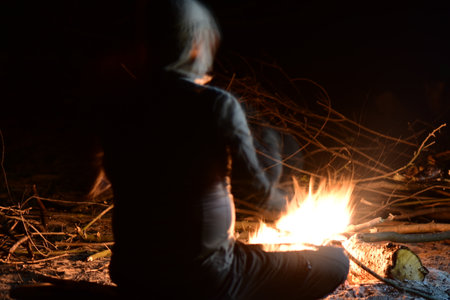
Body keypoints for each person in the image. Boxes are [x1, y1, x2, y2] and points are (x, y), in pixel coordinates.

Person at [98, 1, 349, 299]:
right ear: (194, 45)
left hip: (132, 274)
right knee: (335, 261)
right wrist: (287, 203)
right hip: (205, 278)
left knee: (253, 254)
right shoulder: (215, 104)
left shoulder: (118, 107)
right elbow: (254, 191)